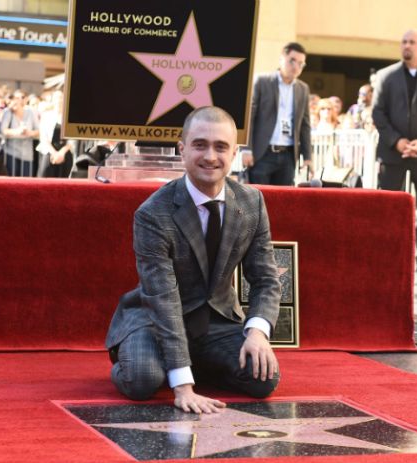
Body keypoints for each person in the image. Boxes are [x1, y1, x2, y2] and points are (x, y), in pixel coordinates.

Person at [105, 106, 282, 414]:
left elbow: (266, 278)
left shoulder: (252, 202)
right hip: (153, 320)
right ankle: (144, 357)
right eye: (200, 145)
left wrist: (257, 332)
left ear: (234, 152)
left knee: (263, 378)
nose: (210, 156)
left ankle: (189, 361)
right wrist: (184, 388)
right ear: (182, 149)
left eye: (220, 147)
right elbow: (162, 298)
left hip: (216, 321)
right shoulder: (152, 213)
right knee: (144, 380)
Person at [372, 29, 417, 273]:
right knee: (389, 208)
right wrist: (397, 141)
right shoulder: (386, 76)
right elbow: (378, 113)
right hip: (393, 154)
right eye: (403, 41)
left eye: (412, 42)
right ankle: (387, 254)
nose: (407, 46)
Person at [243, 42, 313, 185]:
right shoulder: (262, 81)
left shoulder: (303, 88)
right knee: (259, 200)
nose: (296, 67)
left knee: (284, 203)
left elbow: (305, 125)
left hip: (288, 155)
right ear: (282, 59)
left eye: (301, 63)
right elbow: (249, 117)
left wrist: (308, 157)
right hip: (262, 153)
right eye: (292, 61)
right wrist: (246, 149)